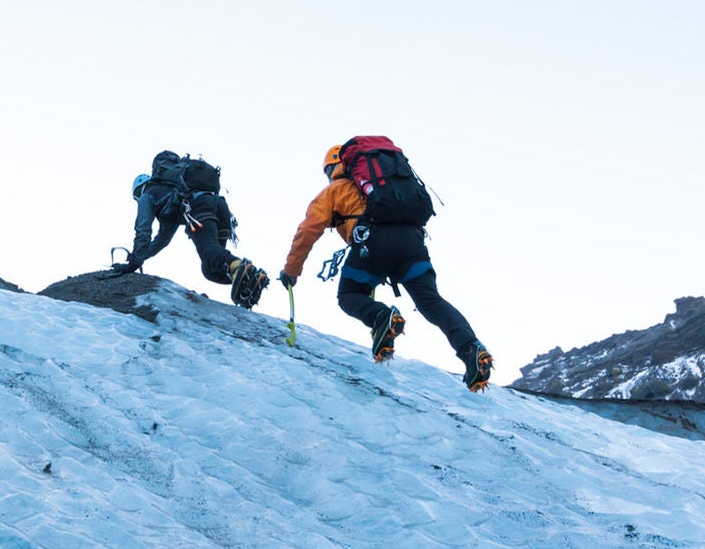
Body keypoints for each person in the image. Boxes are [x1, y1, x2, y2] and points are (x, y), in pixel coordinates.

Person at [278, 138, 493, 391]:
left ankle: (382, 318)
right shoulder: (387, 185)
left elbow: (308, 230)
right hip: (412, 242)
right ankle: (471, 349)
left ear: (332, 168)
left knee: (350, 295)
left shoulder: (334, 191)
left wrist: (291, 271)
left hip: (373, 241)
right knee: (430, 302)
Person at [112, 151, 271, 307]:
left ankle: (239, 267)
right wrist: (139, 256)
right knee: (211, 268)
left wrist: (133, 263)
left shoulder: (148, 194)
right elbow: (161, 241)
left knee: (210, 251)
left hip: (198, 206)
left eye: (137, 195)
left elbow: (143, 229)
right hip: (219, 205)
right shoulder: (172, 199)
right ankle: (250, 279)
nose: (139, 198)